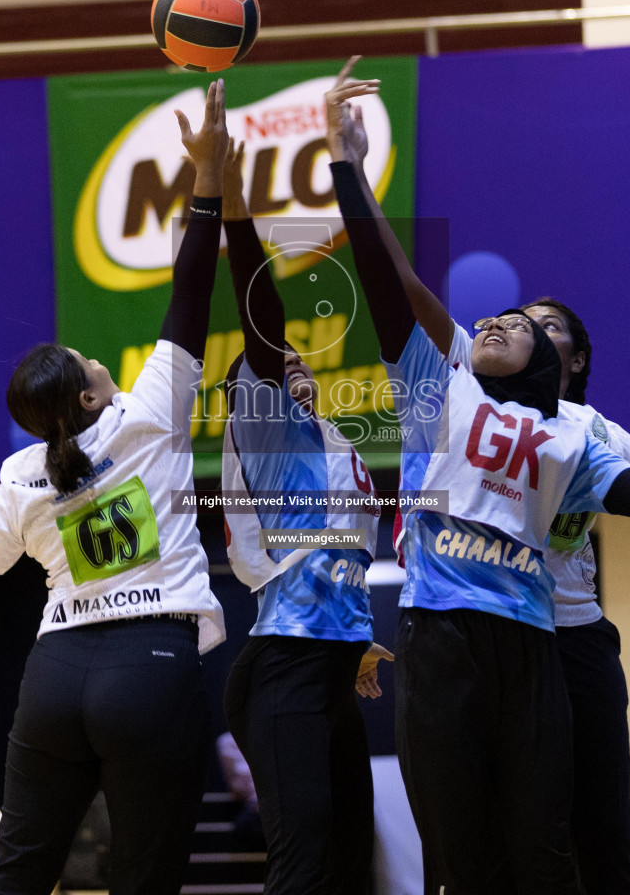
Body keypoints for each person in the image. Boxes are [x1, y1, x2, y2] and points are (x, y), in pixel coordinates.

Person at [329, 55, 630, 894]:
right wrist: (346, 165)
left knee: (580, 836)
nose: (509, 322)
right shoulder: (448, 379)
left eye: (544, 323)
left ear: (571, 358)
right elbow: (395, 283)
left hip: (559, 638)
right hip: (450, 628)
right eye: (512, 316)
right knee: (462, 842)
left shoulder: (582, 436)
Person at [0, 79, 233, 895]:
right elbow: (192, 290)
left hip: (54, 675)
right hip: (153, 663)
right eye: (86, 360)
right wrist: (207, 179)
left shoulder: (24, 475)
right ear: (91, 395)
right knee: (145, 877)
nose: (97, 358)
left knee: (20, 872)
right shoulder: (148, 415)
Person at [213, 136, 390, 894]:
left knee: (353, 858)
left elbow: (342, 554)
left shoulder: (338, 442)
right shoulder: (261, 425)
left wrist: (358, 637)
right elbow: (263, 315)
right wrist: (231, 199)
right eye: (271, 363)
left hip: (332, 663)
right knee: (304, 862)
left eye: (296, 361)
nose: (290, 364)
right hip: (282, 661)